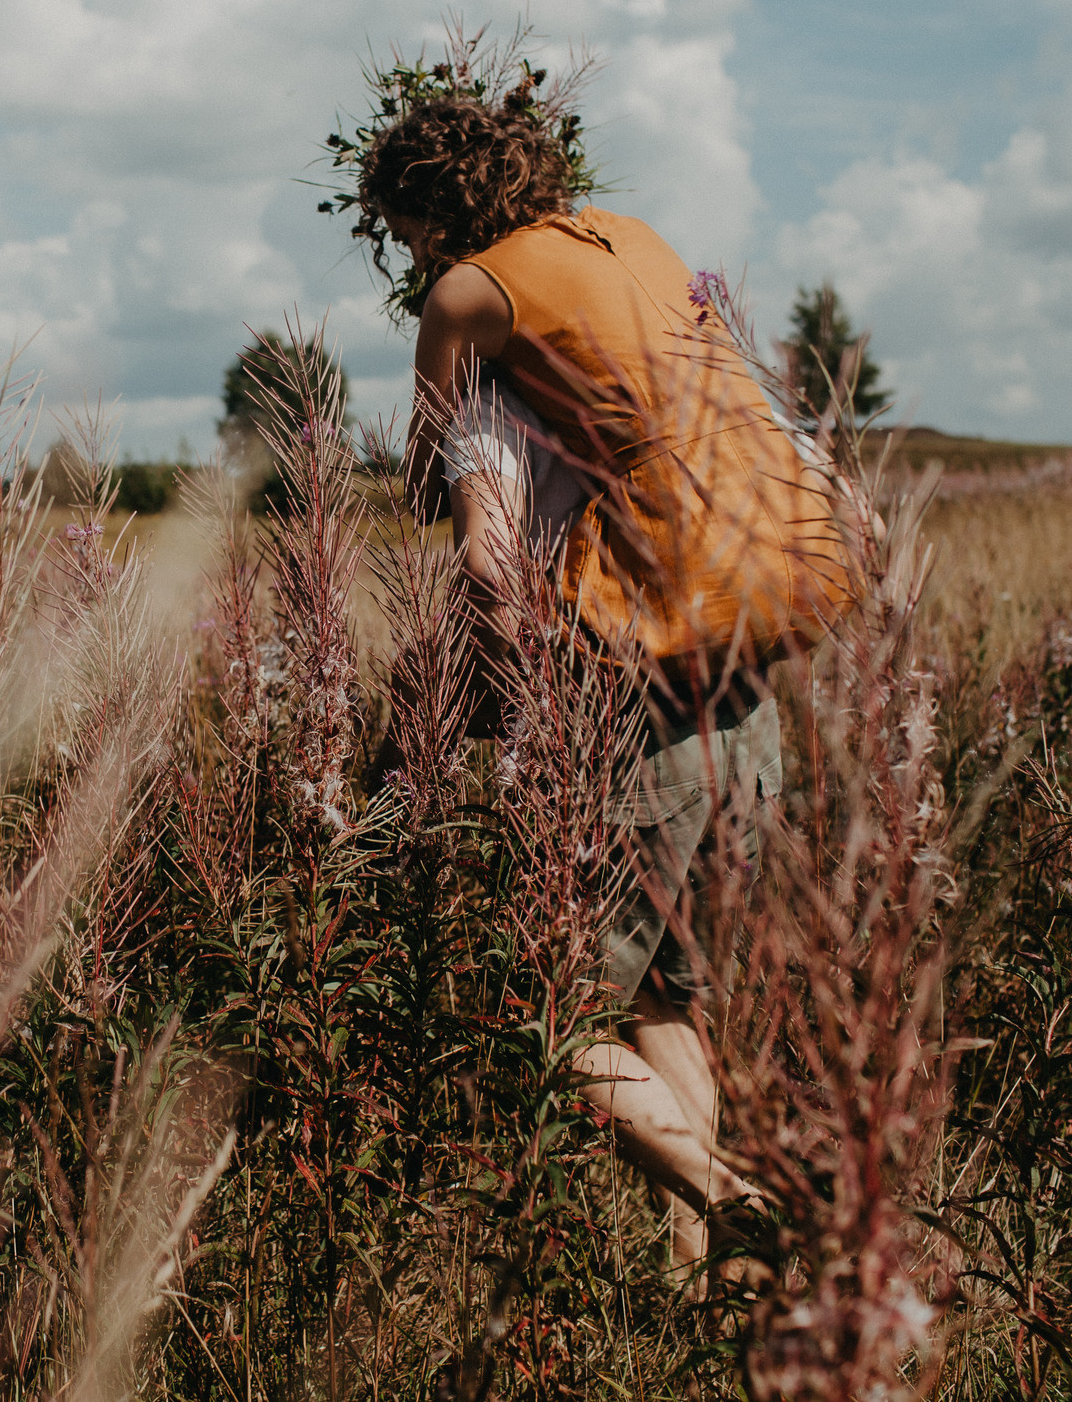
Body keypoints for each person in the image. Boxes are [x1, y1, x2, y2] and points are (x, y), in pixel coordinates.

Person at [355, 82, 855, 1288]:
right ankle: (710, 1292)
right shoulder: (636, 243)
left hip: (635, 680)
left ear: (431, 209)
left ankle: (736, 1204)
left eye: (397, 228)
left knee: (550, 1014)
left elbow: (441, 475)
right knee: (666, 1007)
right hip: (744, 670)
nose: (403, 254)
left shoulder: (470, 292)